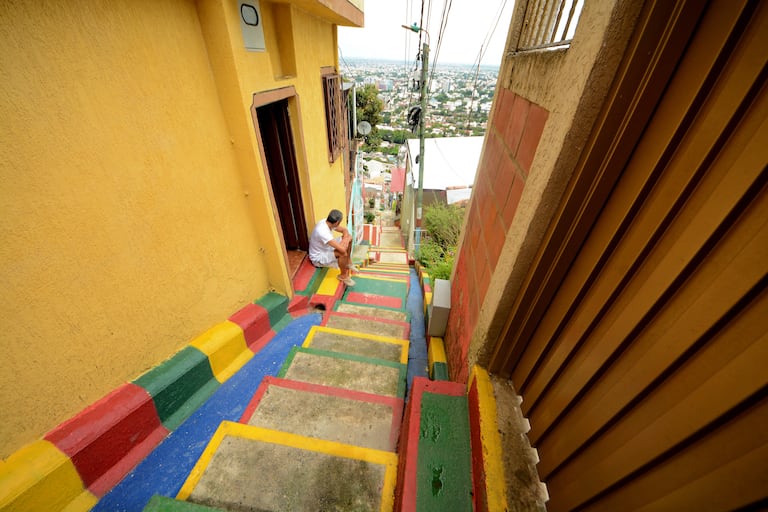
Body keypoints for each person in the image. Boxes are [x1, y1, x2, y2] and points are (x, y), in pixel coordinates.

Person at [308, 209, 356, 286]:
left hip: (326, 248)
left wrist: (345, 239)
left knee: (349, 237)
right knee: (342, 253)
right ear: (337, 222)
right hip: (318, 257)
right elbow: (342, 250)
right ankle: (343, 276)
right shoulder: (322, 231)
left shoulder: (328, 222)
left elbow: (344, 230)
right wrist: (345, 241)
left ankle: (348, 262)